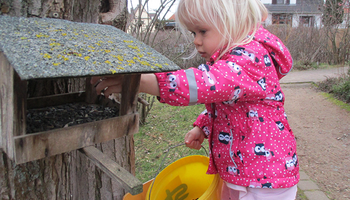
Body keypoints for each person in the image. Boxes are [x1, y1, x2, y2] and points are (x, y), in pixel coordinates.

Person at [92, 0, 299, 199]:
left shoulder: (250, 58)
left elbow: (204, 83)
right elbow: (228, 106)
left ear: (232, 21)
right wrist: (203, 126)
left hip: (265, 179)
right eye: (193, 32)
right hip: (243, 173)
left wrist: (141, 81)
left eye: (203, 31)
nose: (196, 41)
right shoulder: (234, 61)